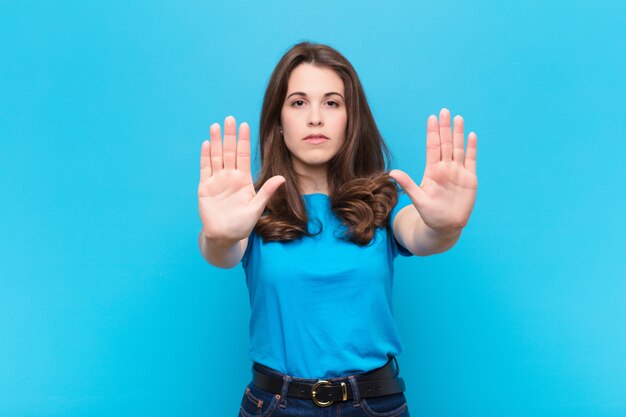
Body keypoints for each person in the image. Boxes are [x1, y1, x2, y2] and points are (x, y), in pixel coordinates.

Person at [197, 41, 477, 417]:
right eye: (298, 102)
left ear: (350, 117)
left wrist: (446, 225)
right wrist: (220, 234)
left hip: (374, 404)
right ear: (278, 121)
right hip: (275, 405)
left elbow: (425, 234)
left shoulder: (380, 202)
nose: (316, 118)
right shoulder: (250, 207)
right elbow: (220, 250)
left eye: (331, 102)